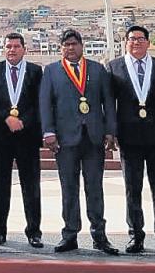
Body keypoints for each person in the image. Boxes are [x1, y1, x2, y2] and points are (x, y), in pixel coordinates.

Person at [40, 28, 119, 256]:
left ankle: (99, 235)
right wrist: (48, 132)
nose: (70, 48)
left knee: (94, 187)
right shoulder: (52, 71)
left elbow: (108, 102)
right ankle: (70, 235)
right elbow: (45, 103)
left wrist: (110, 131)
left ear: (81, 46)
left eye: (74, 44)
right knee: (69, 188)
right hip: (65, 140)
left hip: (93, 138)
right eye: (66, 45)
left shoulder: (97, 69)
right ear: (60, 48)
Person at [106, 25, 155, 256]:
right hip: (129, 138)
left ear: (148, 43)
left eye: (140, 39)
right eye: (131, 39)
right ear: (125, 43)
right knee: (133, 188)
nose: (136, 42)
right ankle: (135, 234)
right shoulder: (114, 67)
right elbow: (109, 104)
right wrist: (111, 132)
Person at [0, 32, 43, 248]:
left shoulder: (35, 71)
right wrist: (7, 118)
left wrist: (23, 121)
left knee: (31, 186)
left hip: (27, 136)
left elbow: (39, 101)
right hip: (2, 135)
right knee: (0, 185)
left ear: (24, 49)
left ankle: (34, 232)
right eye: (8, 46)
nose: (12, 50)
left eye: (16, 46)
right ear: (4, 49)